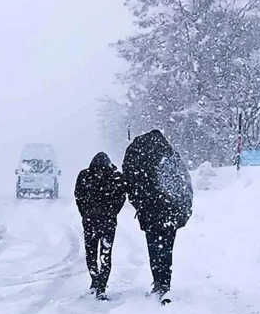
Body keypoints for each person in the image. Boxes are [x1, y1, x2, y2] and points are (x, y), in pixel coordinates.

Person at [123, 130, 193, 304]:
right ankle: (165, 283)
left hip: (150, 214)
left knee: (154, 249)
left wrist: (140, 205)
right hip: (170, 213)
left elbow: (131, 185)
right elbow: (184, 184)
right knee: (167, 249)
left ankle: (158, 281)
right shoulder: (170, 157)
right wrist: (183, 209)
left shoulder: (140, 159)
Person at [74, 152, 126, 300]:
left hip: (107, 223)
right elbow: (79, 196)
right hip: (90, 222)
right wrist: (86, 213)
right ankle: (95, 280)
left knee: (105, 255)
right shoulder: (85, 177)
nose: (100, 173)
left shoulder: (116, 179)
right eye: (97, 170)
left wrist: (111, 212)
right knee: (91, 254)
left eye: (102, 170)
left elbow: (121, 197)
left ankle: (102, 286)